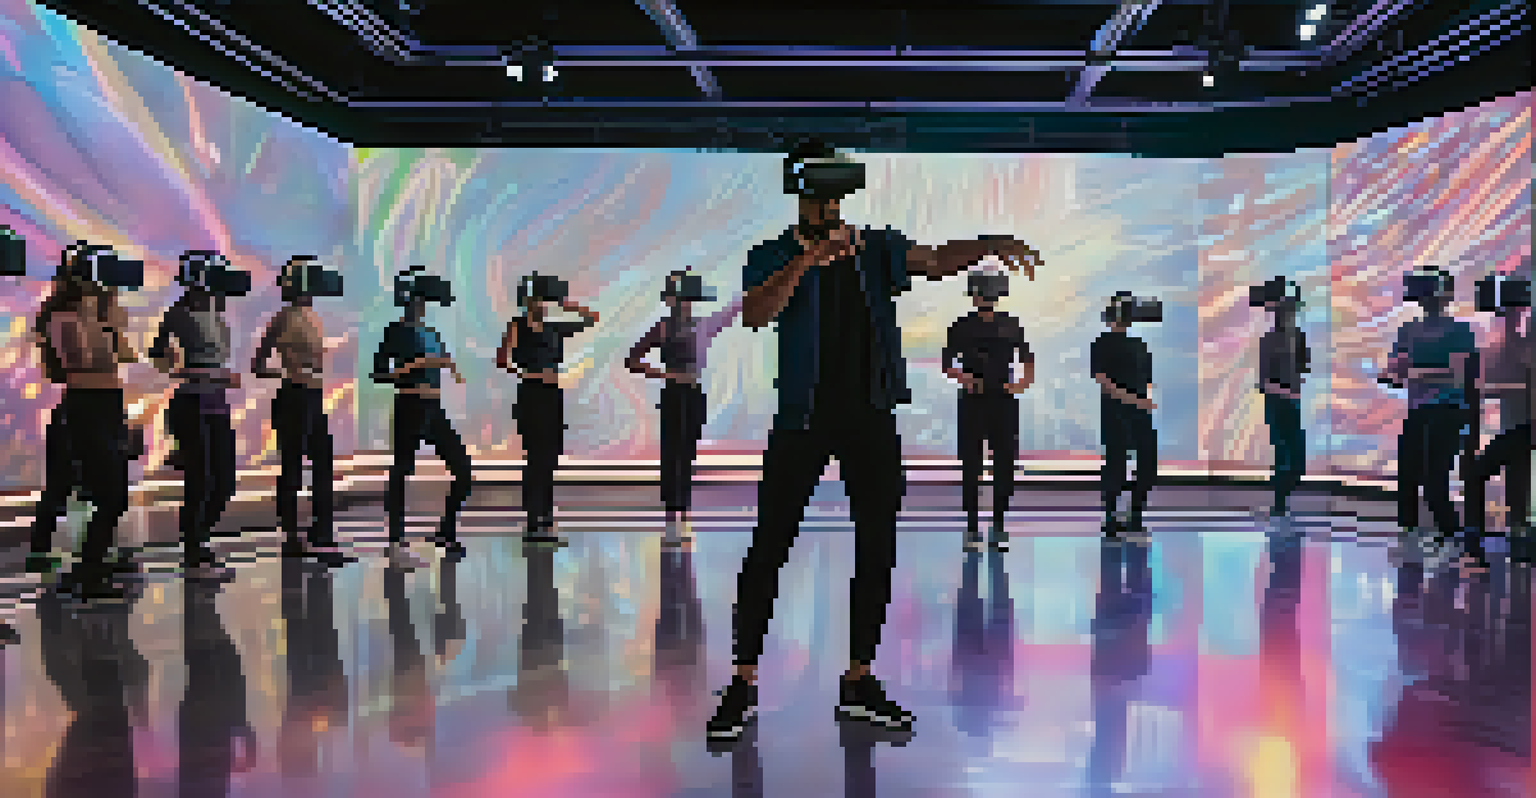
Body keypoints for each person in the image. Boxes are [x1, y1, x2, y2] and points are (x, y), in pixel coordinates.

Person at [705, 140, 1041, 743]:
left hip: (869, 414)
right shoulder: (773, 253)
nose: (830, 204)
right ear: (800, 194)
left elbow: (934, 260)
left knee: (877, 547)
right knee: (769, 546)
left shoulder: (874, 248)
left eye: (836, 194)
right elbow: (757, 312)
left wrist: (989, 244)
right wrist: (809, 262)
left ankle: (859, 679)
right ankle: (743, 680)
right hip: (801, 417)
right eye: (819, 193)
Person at [27, 243, 145, 595]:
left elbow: (124, 355)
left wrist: (109, 321)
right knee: (105, 493)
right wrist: (102, 320)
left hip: (109, 402)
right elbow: (79, 359)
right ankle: (88, 571)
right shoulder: (63, 315)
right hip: (84, 403)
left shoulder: (103, 313)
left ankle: (92, 565)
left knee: (115, 493)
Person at [150, 251, 251, 580]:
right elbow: (161, 359)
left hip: (216, 404)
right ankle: (194, 552)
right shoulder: (179, 315)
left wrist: (215, 376)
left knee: (223, 480)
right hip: (192, 404)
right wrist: (196, 371)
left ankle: (199, 541)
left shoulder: (218, 315)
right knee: (201, 480)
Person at [625, 270, 742, 544]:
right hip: (674, 393)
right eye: (679, 299)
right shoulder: (663, 327)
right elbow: (633, 359)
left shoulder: (703, 325)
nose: (683, 304)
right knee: (672, 451)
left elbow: (733, 313)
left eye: (688, 299)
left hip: (693, 392)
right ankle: (671, 512)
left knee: (687, 450)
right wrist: (665, 375)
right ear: (670, 301)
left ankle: (683, 511)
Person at [252, 256, 352, 565]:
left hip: (307, 395)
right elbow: (259, 363)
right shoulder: (286, 317)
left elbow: (262, 363)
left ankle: (318, 536)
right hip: (296, 396)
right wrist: (290, 373)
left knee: (318, 466)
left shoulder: (307, 315)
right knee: (296, 469)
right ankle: (296, 537)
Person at [371, 266, 471, 569]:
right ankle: (395, 542)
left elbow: (440, 362)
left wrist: (445, 365)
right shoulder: (395, 331)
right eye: (417, 299)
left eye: (422, 300)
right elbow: (378, 373)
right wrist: (414, 365)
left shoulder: (432, 333)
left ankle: (445, 530)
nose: (421, 305)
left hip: (434, 408)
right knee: (401, 470)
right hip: (409, 404)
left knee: (463, 468)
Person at [495, 273, 599, 541]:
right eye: (537, 300)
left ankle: (547, 516)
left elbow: (592, 319)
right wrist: (528, 375)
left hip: (552, 394)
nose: (542, 305)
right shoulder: (518, 325)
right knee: (535, 456)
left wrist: (567, 304)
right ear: (528, 302)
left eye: (544, 300)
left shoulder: (554, 327)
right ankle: (533, 517)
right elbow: (502, 359)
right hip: (531, 394)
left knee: (550, 455)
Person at [1379, 269, 1478, 548]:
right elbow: (1395, 368)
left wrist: (1411, 373)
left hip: (1448, 411)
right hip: (1418, 410)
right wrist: (1394, 374)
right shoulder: (1407, 329)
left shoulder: (1460, 330)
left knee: (1436, 480)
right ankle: (1408, 533)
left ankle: (1451, 536)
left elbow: (1457, 374)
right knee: (1407, 475)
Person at [941, 264, 1034, 552]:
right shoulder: (961, 326)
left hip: (1003, 401)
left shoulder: (1011, 324)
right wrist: (964, 377)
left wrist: (1019, 385)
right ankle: (971, 526)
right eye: (981, 289)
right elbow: (947, 363)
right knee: (972, 464)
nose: (985, 295)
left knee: (1004, 463)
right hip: (973, 400)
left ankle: (998, 525)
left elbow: (1027, 358)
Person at [1464, 282, 1532, 563]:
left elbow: (1525, 374)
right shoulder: (1502, 346)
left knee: (1480, 472)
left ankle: (1476, 536)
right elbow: (1485, 384)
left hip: (1524, 425)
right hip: (1515, 424)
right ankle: (1515, 534)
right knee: (1516, 477)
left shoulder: (1522, 345)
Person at [1091, 292, 1159, 537]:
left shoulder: (1139, 345)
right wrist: (1136, 400)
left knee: (1148, 463)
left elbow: (1147, 378)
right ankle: (1111, 515)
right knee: (1116, 463)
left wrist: (1147, 400)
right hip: (1115, 411)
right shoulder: (1102, 343)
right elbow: (1103, 380)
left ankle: (1135, 513)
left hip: (1140, 411)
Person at [1254, 278, 1311, 521]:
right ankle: (1279, 506)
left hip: (1292, 404)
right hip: (1277, 405)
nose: (1288, 314)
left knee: (1297, 461)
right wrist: (1288, 393)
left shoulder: (1299, 337)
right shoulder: (1268, 340)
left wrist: (1295, 392)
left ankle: (1281, 502)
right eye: (1283, 309)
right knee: (1283, 455)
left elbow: (1303, 369)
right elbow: (1264, 382)